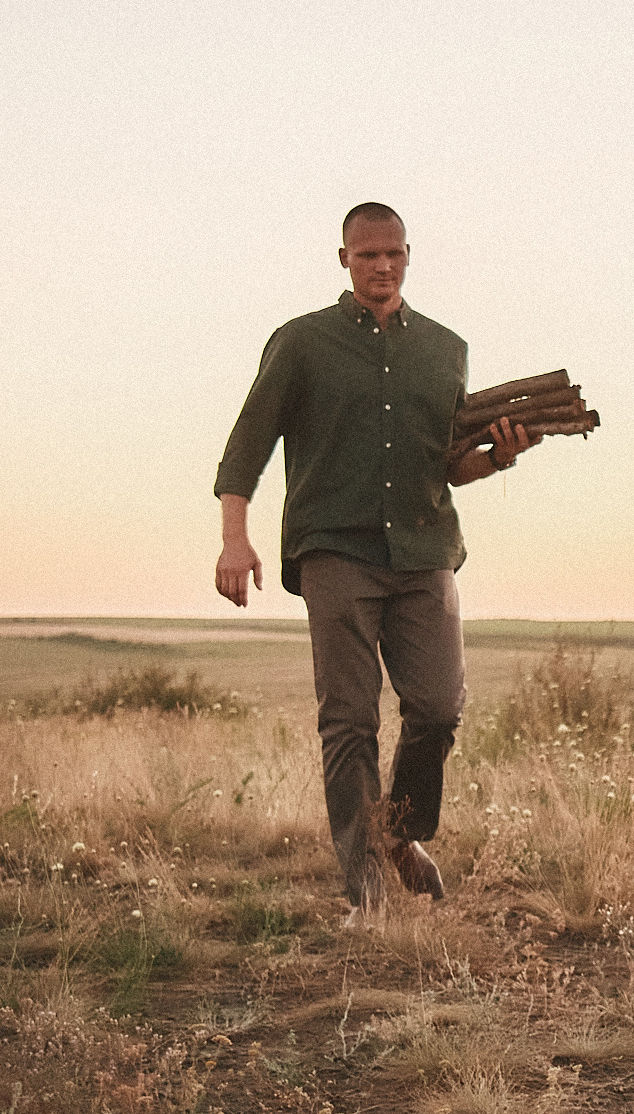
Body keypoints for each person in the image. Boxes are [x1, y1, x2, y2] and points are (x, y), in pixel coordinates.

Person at [212, 201, 533, 915]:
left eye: (394, 253)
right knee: (350, 719)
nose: (382, 266)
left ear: (409, 255)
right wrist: (236, 537)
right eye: (367, 255)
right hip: (336, 550)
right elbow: (247, 444)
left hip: (425, 550)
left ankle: (400, 831)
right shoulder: (301, 343)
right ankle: (368, 893)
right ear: (344, 260)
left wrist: (499, 455)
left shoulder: (446, 349)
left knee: (439, 706)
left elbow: (449, 466)